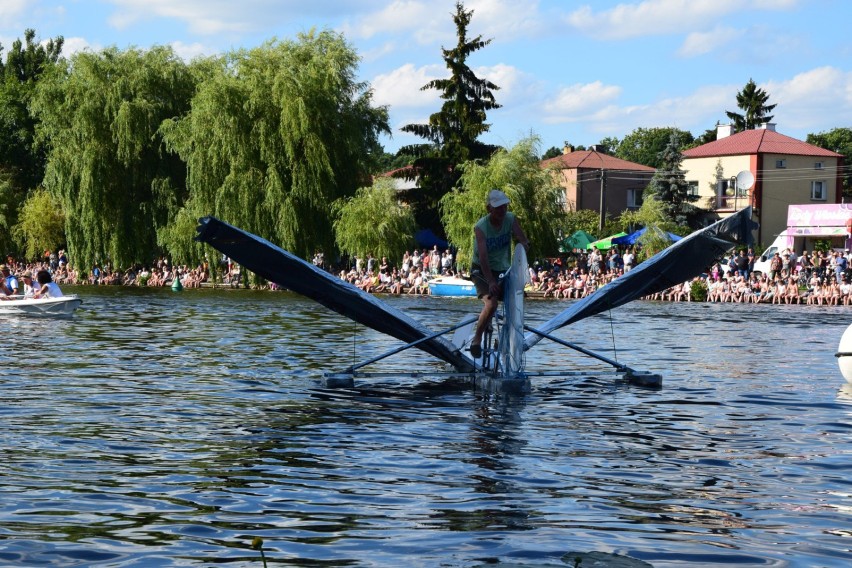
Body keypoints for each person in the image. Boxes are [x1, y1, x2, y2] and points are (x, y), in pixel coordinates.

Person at [469, 189, 530, 358]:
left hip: (503, 269)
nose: (502, 211)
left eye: (504, 207)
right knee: (492, 304)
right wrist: (490, 281)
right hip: (481, 269)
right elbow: (483, 257)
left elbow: (523, 240)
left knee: (515, 302)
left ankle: (503, 340)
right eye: (498, 208)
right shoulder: (481, 227)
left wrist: (523, 247)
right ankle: (477, 339)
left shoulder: (510, 219)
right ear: (489, 209)